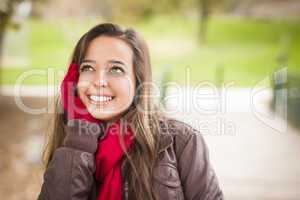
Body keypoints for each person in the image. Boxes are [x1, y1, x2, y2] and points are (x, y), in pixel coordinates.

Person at [37, 23, 224, 200]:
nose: (99, 81)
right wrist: (79, 134)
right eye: (88, 68)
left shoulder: (181, 141)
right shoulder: (68, 139)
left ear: (138, 81)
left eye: (116, 69)